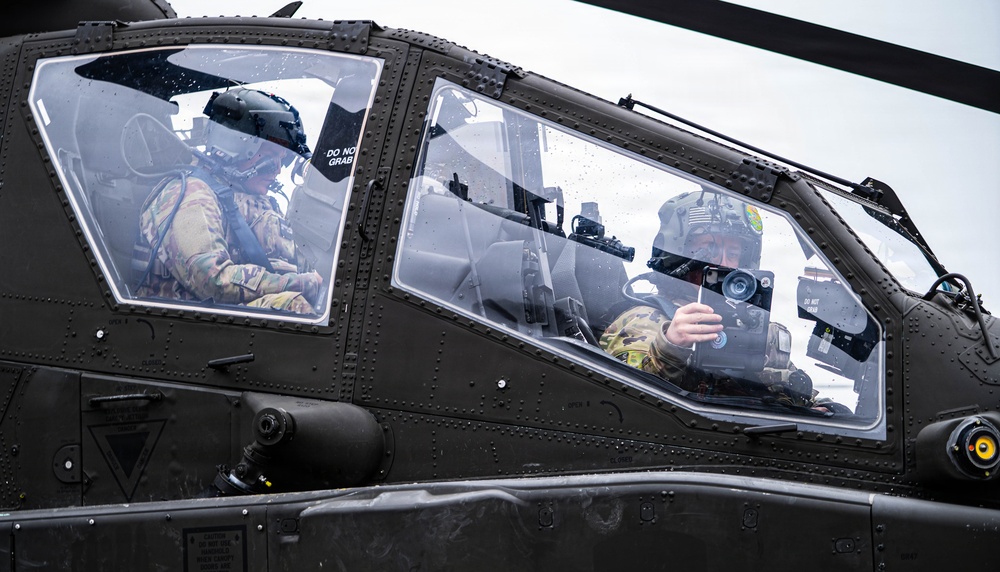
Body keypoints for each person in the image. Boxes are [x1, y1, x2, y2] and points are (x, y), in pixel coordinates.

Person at [599, 190, 819, 409]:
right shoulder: (645, 321)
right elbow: (622, 402)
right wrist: (671, 346)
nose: (723, 263)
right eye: (707, 252)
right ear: (679, 256)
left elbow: (802, 396)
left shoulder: (753, 329)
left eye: (733, 254)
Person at [134, 88, 323, 314]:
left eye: (282, 159)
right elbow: (213, 281)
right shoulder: (190, 193)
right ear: (234, 146)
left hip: (219, 319)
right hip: (183, 323)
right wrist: (305, 283)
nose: (277, 169)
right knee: (292, 306)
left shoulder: (250, 200)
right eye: (270, 156)